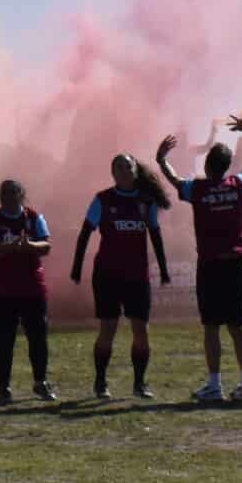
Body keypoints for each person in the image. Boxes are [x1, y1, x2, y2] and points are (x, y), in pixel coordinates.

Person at [161, 117, 242, 404]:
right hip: (235, 265)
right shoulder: (238, 184)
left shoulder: (199, 189)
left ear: (207, 165)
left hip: (211, 265)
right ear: (228, 166)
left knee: (211, 326)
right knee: (236, 326)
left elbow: (173, 179)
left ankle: (215, 385)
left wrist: (161, 159)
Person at [70, 155, 170, 400]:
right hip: (107, 276)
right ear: (112, 172)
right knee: (108, 330)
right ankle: (101, 382)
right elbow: (84, 234)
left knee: (141, 331)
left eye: (128, 166)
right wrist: (76, 267)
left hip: (137, 276)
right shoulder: (102, 199)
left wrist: (164, 270)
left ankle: (139, 384)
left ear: (135, 171)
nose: (124, 171)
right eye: (119, 167)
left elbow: (155, 235)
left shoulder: (147, 201)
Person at [0, 177, 56, 405]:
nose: (8, 197)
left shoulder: (34, 217)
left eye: (13, 193)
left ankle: (40, 382)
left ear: (22, 195)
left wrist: (30, 246)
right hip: (0, 290)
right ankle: (4, 388)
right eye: (4, 194)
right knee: (4, 339)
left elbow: (47, 246)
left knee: (38, 337)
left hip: (32, 288)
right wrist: (10, 248)